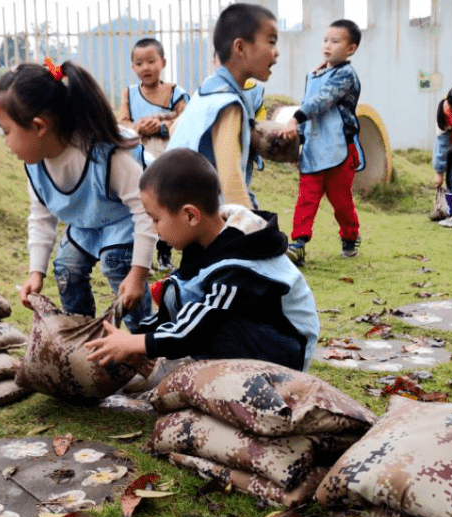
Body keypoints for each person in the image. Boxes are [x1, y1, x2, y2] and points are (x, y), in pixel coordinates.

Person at [84, 148, 320, 372]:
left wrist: (135, 344)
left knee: (209, 327)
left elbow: (197, 328)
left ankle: (215, 378)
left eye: (156, 220)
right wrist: (134, 338)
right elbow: (183, 303)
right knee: (175, 291)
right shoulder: (205, 242)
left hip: (283, 353)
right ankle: (184, 368)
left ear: (190, 215)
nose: (155, 230)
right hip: (249, 334)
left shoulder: (239, 266)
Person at [0, 58, 154, 331]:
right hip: (87, 223)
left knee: (117, 265)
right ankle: (82, 337)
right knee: (66, 268)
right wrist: (36, 272)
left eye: (7, 131)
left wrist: (138, 274)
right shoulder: (36, 165)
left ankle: (145, 341)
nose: (6, 142)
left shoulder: (108, 153)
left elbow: (145, 211)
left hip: (126, 220)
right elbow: (41, 217)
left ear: (39, 126)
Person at [167, 2, 281, 210]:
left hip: (180, 208)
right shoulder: (228, 104)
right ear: (240, 48)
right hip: (208, 217)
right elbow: (231, 181)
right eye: (271, 42)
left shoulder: (205, 92)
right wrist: (250, 229)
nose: (276, 52)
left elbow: (176, 131)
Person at [281, 19, 365, 265]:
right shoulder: (315, 73)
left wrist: (294, 118)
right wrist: (300, 139)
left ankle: (350, 235)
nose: (328, 45)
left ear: (351, 49)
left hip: (340, 149)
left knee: (341, 201)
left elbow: (322, 100)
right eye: (325, 40)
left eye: (335, 41)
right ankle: (298, 243)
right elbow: (311, 102)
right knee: (306, 197)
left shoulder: (346, 75)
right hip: (314, 148)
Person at [119, 37, 190, 270]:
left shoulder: (175, 93)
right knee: (144, 207)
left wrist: (161, 127)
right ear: (133, 67)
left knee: (168, 206)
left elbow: (187, 120)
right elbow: (123, 124)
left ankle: (166, 253)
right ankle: (142, 257)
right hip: (139, 159)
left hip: (168, 158)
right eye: (139, 63)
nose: (145, 68)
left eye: (151, 61)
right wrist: (137, 128)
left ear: (163, 62)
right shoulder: (129, 94)